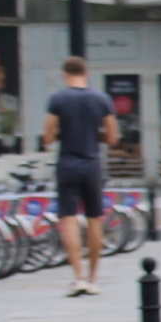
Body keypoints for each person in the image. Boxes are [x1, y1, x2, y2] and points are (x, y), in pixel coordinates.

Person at [42, 57, 119, 297]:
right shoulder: (101, 100)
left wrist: (63, 132)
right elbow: (113, 137)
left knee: (70, 219)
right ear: (87, 74)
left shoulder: (58, 99)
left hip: (67, 163)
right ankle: (94, 277)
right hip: (92, 164)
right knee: (95, 219)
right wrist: (96, 136)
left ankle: (78, 277)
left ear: (65, 74)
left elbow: (48, 136)